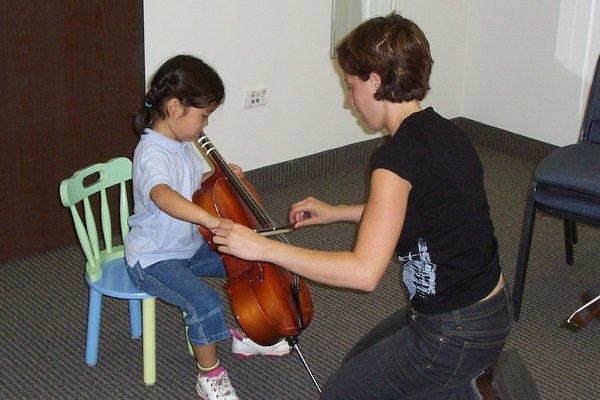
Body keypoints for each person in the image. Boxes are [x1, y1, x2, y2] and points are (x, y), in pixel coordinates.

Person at [211, 13, 512, 400]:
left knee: (340, 394)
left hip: (454, 330)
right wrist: (337, 211)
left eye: (351, 86)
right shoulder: (445, 132)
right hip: (488, 310)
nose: (349, 100)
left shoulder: (395, 160)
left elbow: (363, 273)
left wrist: (264, 248)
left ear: (375, 80)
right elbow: (423, 210)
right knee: (358, 365)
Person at [124, 54, 289, 400]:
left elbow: (186, 184)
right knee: (204, 301)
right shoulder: (151, 151)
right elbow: (163, 194)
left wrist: (218, 176)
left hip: (186, 246)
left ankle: (250, 335)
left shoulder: (182, 143)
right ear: (173, 108)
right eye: (203, 116)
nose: (205, 125)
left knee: (249, 259)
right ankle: (209, 376)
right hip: (153, 259)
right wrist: (210, 219)